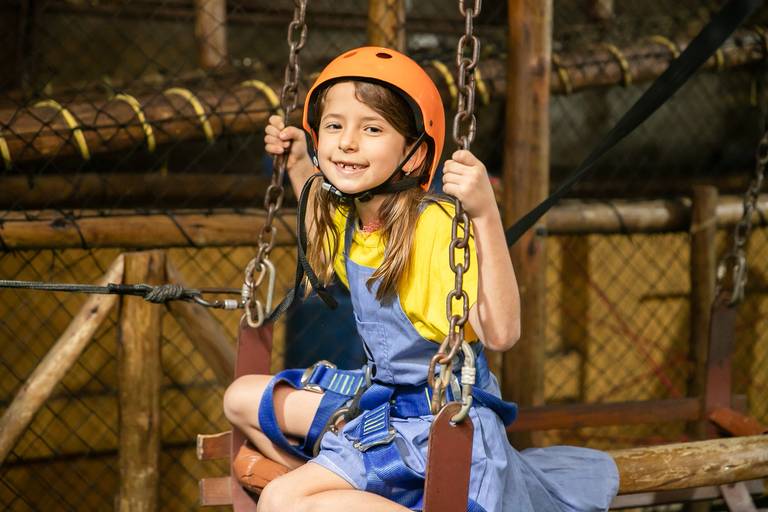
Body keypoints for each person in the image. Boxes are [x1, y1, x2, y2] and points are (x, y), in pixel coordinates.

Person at [223, 47, 619, 512]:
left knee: (280, 500)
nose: (347, 142)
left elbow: (502, 333)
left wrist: (484, 216)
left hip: (437, 422)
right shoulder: (353, 218)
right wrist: (296, 164)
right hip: (380, 403)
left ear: (414, 154)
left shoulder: (435, 226)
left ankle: (336, 495)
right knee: (239, 398)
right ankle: (347, 493)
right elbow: (322, 247)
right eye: (333, 126)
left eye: (372, 129)